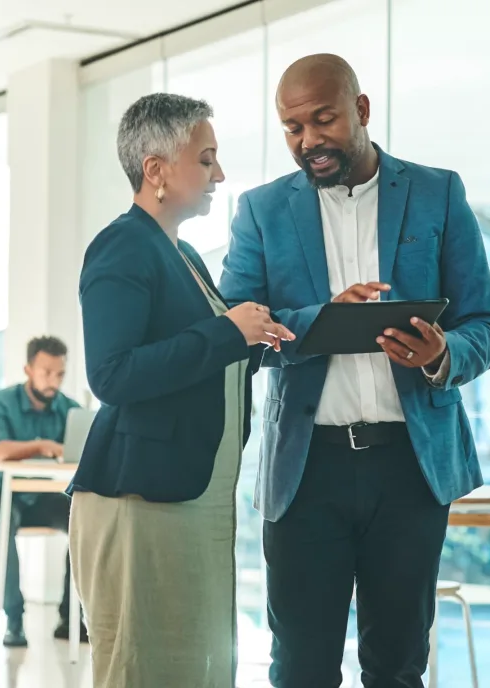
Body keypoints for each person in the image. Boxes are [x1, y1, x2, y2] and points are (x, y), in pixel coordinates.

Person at [219, 54, 490, 687]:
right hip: (305, 471)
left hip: (410, 466)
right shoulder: (261, 211)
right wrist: (320, 321)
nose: (309, 141)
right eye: (293, 128)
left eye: (324, 120)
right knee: (300, 667)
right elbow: (237, 333)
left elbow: (485, 325)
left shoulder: (438, 193)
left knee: (398, 665)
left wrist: (441, 356)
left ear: (362, 110)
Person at [69, 93, 294, 687]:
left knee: (193, 664)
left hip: (189, 498)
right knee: (144, 666)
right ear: (156, 171)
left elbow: (201, 359)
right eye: (206, 158)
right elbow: (112, 375)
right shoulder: (123, 246)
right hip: (141, 500)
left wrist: (255, 341)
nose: (219, 174)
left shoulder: (184, 254)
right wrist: (225, 334)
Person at [0, 335, 86, 648]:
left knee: (82, 518)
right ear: (28, 369)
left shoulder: (70, 410)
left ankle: (70, 619)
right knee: (1, 521)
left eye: (59, 373)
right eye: (46, 372)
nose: (53, 381)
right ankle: (14, 620)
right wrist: (43, 446)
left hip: (39, 496)